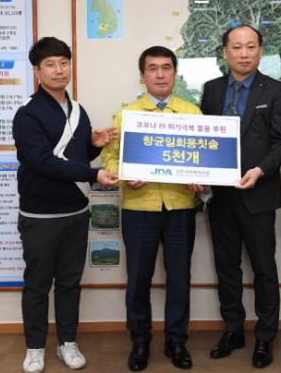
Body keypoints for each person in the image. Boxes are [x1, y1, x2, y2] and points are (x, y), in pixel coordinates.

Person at [12, 37, 119, 373]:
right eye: (50, 64)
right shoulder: (27, 114)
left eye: (63, 62)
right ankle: (34, 348)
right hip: (39, 214)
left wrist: (94, 146)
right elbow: (44, 162)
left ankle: (67, 342)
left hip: (76, 212)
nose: (59, 70)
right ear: (37, 71)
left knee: (70, 282)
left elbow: (74, 159)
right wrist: (93, 173)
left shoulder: (78, 111)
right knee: (37, 285)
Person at [101, 46, 202, 372]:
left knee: (179, 278)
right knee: (138, 279)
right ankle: (140, 341)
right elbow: (110, 156)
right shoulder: (127, 114)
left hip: (180, 206)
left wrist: (200, 178)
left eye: (166, 68)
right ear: (142, 75)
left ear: (175, 73)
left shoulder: (192, 112)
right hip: (139, 207)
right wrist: (124, 175)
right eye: (153, 68)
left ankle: (176, 341)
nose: (160, 74)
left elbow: (204, 157)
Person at [200, 25, 281, 368]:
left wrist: (261, 170)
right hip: (220, 196)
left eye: (251, 46)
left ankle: (265, 336)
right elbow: (203, 139)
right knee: (227, 267)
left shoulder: (276, 90)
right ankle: (233, 330)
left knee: (264, 268)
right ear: (225, 52)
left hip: (258, 194)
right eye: (237, 47)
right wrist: (199, 175)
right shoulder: (212, 89)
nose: (244, 53)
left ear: (260, 51)